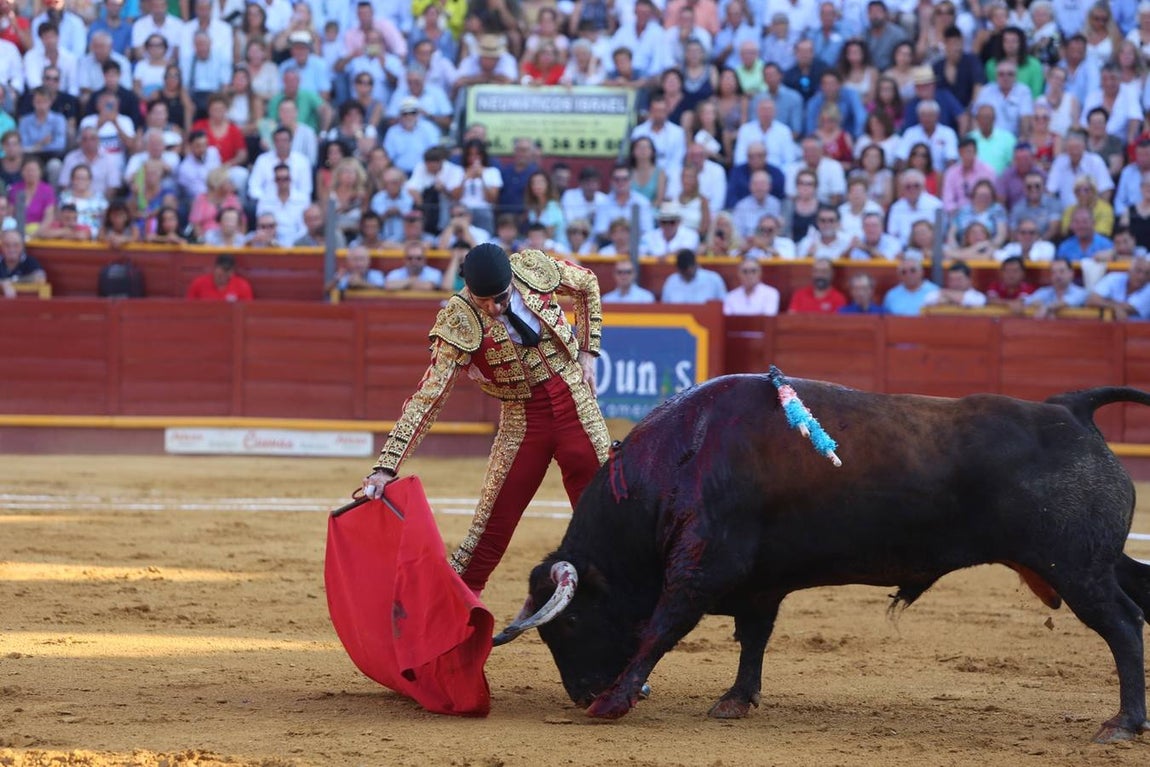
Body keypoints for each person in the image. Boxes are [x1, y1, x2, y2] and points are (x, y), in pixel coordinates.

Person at [361, 244, 610, 596]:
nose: (493, 308)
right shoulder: (459, 319)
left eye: (501, 298)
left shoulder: (532, 268)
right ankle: (450, 613)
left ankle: (625, 614)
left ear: (512, 281)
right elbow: (429, 397)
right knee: (487, 533)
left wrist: (588, 351)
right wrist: (387, 466)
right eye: (483, 301)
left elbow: (587, 285)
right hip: (522, 421)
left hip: (576, 404)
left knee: (608, 520)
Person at [1024, 256, 1090, 318]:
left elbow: (1066, 302)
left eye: (1062, 271)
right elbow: (1028, 300)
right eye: (1054, 272)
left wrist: (1047, 308)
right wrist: (1039, 305)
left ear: (1071, 273)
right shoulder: (1044, 291)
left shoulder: (1081, 293)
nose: (1058, 276)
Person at [660, 248, 727, 303]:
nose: (687, 275)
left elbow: (724, 305)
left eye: (689, 271)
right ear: (678, 269)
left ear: (696, 265)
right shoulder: (671, 282)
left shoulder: (713, 279)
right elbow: (665, 308)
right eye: (684, 273)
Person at [186, 253, 254, 301]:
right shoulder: (199, 283)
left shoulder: (242, 286)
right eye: (223, 269)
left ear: (233, 271)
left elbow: (247, 311)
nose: (225, 273)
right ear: (215, 268)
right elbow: (189, 307)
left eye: (228, 270)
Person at [922, 260, 988, 309]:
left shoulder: (978, 297)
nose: (955, 283)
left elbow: (974, 302)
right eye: (952, 280)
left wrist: (947, 295)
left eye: (959, 279)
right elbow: (928, 299)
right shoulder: (937, 293)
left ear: (969, 280)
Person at [0, 229, 45, 299]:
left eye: (16, 245)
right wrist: (2, 284)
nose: (11, 249)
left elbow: (40, 278)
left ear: (22, 246)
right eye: (7, 245)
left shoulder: (29, 261)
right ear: (2, 246)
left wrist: (12, 281)